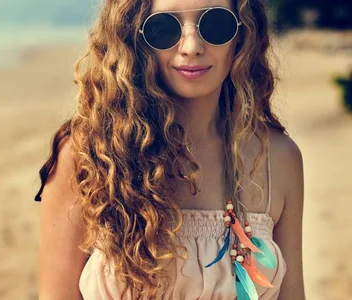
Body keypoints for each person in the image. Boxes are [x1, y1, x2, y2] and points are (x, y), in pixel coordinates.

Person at [34, 0, 306, 299]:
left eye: (216, 23)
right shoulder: (88, 155)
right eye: (164, 28)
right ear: (133, 38)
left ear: (243, 34)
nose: (191, 46)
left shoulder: (278, 159)